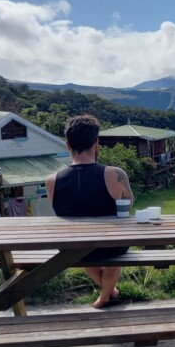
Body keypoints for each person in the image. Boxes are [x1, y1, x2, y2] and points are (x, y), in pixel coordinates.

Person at [45, 115, 134, 309]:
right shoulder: (114, 174)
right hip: (112, 245)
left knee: (84, 253)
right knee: (114, 255)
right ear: (97, 143)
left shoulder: (52, 180)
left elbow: (59, 211)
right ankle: (106, 296)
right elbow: (128, 206)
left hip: (73, 246)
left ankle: (108, 294)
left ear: (68, 145)